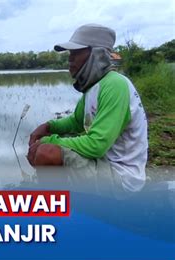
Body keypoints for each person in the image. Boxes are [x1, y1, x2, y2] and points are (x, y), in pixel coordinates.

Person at [27, 24, 148, 193]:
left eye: (75, 54)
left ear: (97, 55)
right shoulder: (95, 87)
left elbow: (96, 145)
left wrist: (47, 141)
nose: (70, 60)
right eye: (70, 54)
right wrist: (49, 127)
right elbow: (76, 121)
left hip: (121, 177)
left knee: (47, 152)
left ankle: (61, 208)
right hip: (104, 164)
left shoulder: (115, 85)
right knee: (54, 144)